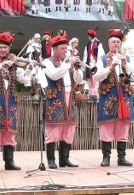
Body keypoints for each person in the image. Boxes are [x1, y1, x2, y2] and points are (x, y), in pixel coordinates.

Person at [0, 32, 33, 172]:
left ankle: (9, 161)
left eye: (6, 47)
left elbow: (24, 81)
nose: (3, 50)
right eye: (1, 47)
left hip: (10, 101)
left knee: (10, 132)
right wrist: (1, 65)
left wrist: (28, 70)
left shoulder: (14, 63)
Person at [93, 29, 134, 167]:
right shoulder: (102, 59)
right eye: (113, 42)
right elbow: (97, 77)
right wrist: (111, 67)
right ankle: (106, 157)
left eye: (118, 42)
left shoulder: (127, 58)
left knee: (123, 127)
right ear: (109, 44)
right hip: (108, 97)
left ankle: (121, 157)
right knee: (106, 127)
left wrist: (125, 64)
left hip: (124, 96)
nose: (116, 44)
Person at [41, 33, 84, 168]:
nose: (65, 51)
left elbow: (78, 80)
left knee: (68, 129)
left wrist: (77, 69)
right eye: (62, 49)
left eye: (66, 49)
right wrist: (68, 65)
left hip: (69, 97)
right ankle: (51, 160)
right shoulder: (48, 62)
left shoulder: (68, 63)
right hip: (55, 98)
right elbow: (54, 75)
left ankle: (64, 159)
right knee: (53, 129)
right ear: (54, 49)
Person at [82, 29, 104, 99]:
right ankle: (90, 94)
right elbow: (86, 55)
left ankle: (95, 95)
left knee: (96, 80)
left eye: (89, 36)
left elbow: (101, 54)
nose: (88, 37)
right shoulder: (88, 45)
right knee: (89, 79)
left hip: (96, 64)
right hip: (89, 64)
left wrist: (99, 64)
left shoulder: (98, 44)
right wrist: (84, 63)